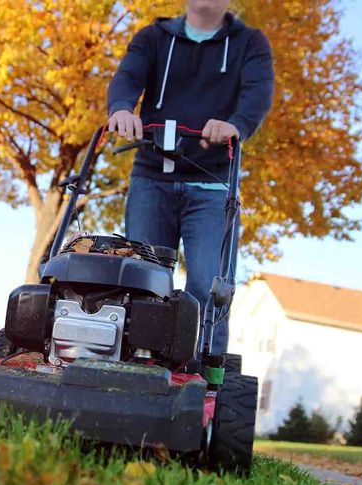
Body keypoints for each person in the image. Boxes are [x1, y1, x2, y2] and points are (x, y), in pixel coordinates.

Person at [106, 0, 274, 355]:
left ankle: (202, 382)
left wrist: (236, 125)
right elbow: (128, 77)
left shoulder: (250, 43)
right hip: (153, 177)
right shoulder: (153, 37)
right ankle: (134, 367)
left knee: (209, 284)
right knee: (142, 279)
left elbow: (257, 93)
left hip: (212, 183)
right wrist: (121, 108)